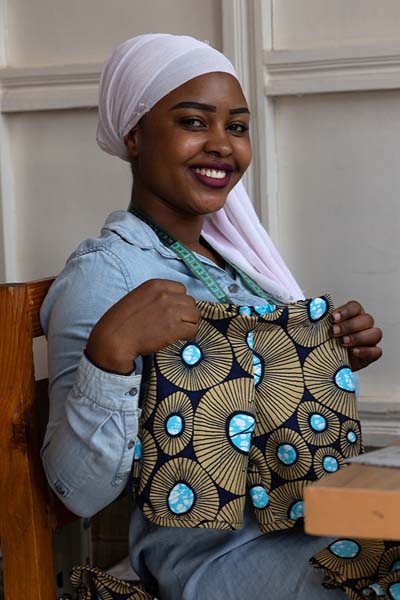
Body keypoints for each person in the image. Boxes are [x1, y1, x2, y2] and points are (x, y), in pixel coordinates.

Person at [40, 34, 383, 600]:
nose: (222, 144)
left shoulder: (240, 266)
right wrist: (110, 354)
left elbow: (243, 407)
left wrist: (326, 361)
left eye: (238, 126)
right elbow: (73, 492)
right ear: (134, 134)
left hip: (308, 523)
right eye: (195, 122)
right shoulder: (109, 275)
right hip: (214, 559)